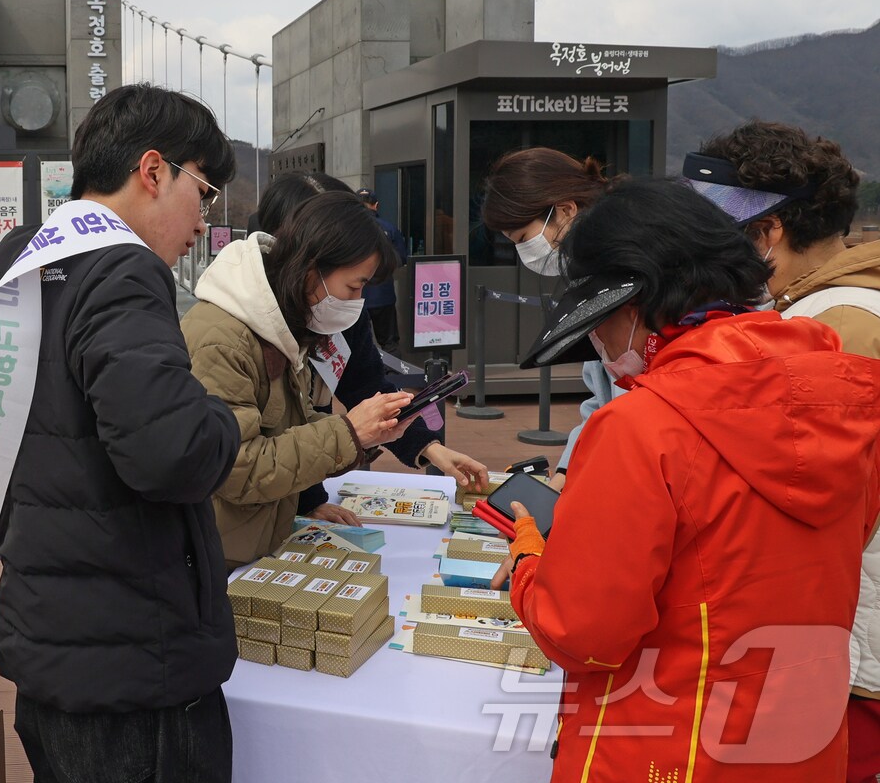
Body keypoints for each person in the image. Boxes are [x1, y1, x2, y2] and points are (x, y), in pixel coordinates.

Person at [507, 179, 880, 782]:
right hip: (801, 737)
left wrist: (530, 558)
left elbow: (583, 632)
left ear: (637, 304)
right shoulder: (849, 399)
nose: (598, 342)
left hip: (671, 743)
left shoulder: (642, 427)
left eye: (599, 322)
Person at [0, 84, 242, 783]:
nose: (203, 220)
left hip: (47, 642)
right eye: (206, 189)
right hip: (136, 661)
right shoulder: (123, 269)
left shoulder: (18, 259)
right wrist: (217, 418)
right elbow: (174, 453)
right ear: (154, 170)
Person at [686, 120, 880, 783]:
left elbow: (809, 508)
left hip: (850, 640)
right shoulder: (844, 307)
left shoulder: (831, 330)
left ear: (766, 233)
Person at [183, 190, 486, 568]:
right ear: (312, 267)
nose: (357, 302)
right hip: (222, 548)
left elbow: (290, 423)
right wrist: (349, 433)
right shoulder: (227, 338)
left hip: (259, 531)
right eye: (354, 287)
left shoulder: (286, 319)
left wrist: (387, 436)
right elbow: (237, 467)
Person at [256, 172, 488, 525]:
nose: (356, 298)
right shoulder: (247, 323)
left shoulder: (339, 308)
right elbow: (256, 452)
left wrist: (431, 448)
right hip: (259, 507)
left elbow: (367, 388)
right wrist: (307, 500)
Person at [480, 147, 615, 487]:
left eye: (524, 239)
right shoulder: (591, 275)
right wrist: (567, 472)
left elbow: (631, 400)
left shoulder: (627, 275)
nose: (524, 253)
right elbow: (601, 399)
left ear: (567, 210)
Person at [355, 187, 407, 353]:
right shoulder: (389, 229)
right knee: (390, 344)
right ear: (376, 205)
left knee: (356, 345)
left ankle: (361, 378)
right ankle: (394, 378)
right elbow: (401, 259)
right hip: (383, 295)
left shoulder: (347, 229)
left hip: (354, 296)